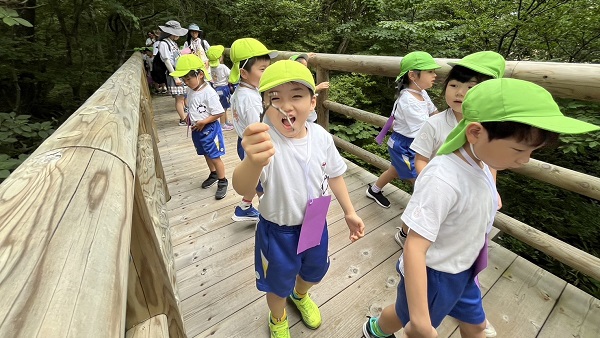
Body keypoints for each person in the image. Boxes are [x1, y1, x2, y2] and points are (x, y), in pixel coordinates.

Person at [362, 78, 600, 338]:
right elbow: (415, 246)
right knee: (402, 316)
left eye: (532, 151)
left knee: (475, 325)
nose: (524, 160)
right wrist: (419, 321)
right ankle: (374, 330)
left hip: (464, 267)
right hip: (436, 275)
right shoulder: (442, 178)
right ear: (475, 133)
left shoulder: (481, 163)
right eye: (520, 149)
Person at [232, 60, 365, 338]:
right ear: (265, 105)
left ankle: (301, 295)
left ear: (313, 102)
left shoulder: (321, 137)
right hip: (277, 231)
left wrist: (349, 211)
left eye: (296, 95)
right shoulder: (266, 143)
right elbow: (242, 186)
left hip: (316, 221)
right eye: (275, 98)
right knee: (276, 285)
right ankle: (277, 317)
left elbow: (336, 174)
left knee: (314, 271)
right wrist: (253, 162)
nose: (286, 105)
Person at [406, 51, 506, 337]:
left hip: (466, 214)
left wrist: (492, 189)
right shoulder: (436, 123)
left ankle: (472, 318)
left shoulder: (489, 127)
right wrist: (431, 181)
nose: (460, 93)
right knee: (425, 244)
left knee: (460, 248)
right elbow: (421, 158)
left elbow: (489, 164)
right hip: (438, 198)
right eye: (454, 85)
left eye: (471, 87)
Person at [366, 51, 440, 245]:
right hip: (406, 146)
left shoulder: (421, 93)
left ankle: (374, 190)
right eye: (430, 71)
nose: (435, 75)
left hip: (411, 144)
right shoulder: (408, 100)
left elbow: (434, 113)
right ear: (413, 75)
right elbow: (424, 131)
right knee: (421, 185)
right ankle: (405, 233)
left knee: (396, 170)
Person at [229, 38, 277, 222]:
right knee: (263, 182)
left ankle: (245, 207)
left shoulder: (242, 91)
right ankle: (269, 213)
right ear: (244, 73)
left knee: (254, 177)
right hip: (256, 144)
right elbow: (257, 127)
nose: (267, 73)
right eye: (263, 69)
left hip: (243, 142)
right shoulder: (250, 98)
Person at [169, 54, 228, 199]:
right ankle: (213, 174)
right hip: (197, 129)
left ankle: (222, 180)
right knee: (205, 153)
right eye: (184, 79)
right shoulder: (191, 89)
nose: (186, 82)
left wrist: (203, 122)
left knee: (214, 155)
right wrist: (190, 117)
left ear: (200, 74)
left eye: (188, 78)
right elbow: (193, 106)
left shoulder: (209, 93)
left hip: (210, 129)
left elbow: (219, 112)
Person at [157, 20, 189, 125]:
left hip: (180, 72)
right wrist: (175, 77)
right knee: (179, 98)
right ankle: (183, 119)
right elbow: (166, 60)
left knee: (183, 96)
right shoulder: (163, 44)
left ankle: (186, 117)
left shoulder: (173, 43)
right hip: (174, 73)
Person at [289, 53, 330, 123]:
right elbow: (300, 91)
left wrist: (306, 56)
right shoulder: (296, 78)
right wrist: (318, 87)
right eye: (304, 66)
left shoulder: (290, 73)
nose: (306, 68)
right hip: (302, 111)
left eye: (306, 65)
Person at [207, 45, 234, 131]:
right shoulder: (222, 67)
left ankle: (226, 121)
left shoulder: (211, 67)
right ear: (220, 57)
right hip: (224, 88)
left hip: (216, 88)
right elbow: (231, 75)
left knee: (223, 106)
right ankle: (222, 124)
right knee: (223, 108)